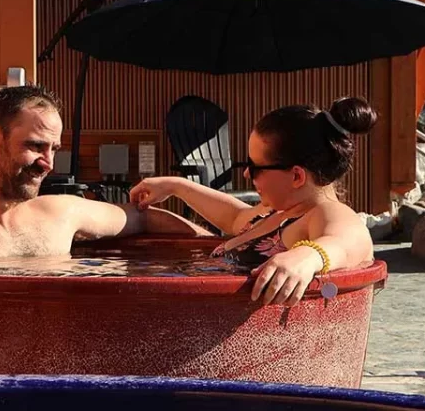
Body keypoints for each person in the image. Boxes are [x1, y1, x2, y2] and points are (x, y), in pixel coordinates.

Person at [0, 84, 210, 259]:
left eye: (53, 149)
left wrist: (221, 254)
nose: (48, 163)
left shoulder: (61, 213)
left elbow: (144, 216)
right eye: (35, 146)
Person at [130, 97, 376, 307]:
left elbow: (348, 240)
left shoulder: (327, 213)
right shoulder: (278, 213)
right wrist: (176, 186)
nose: (247, 174)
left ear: (296, 176)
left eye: (255, 167)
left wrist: (308, 256)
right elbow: (234, 217)